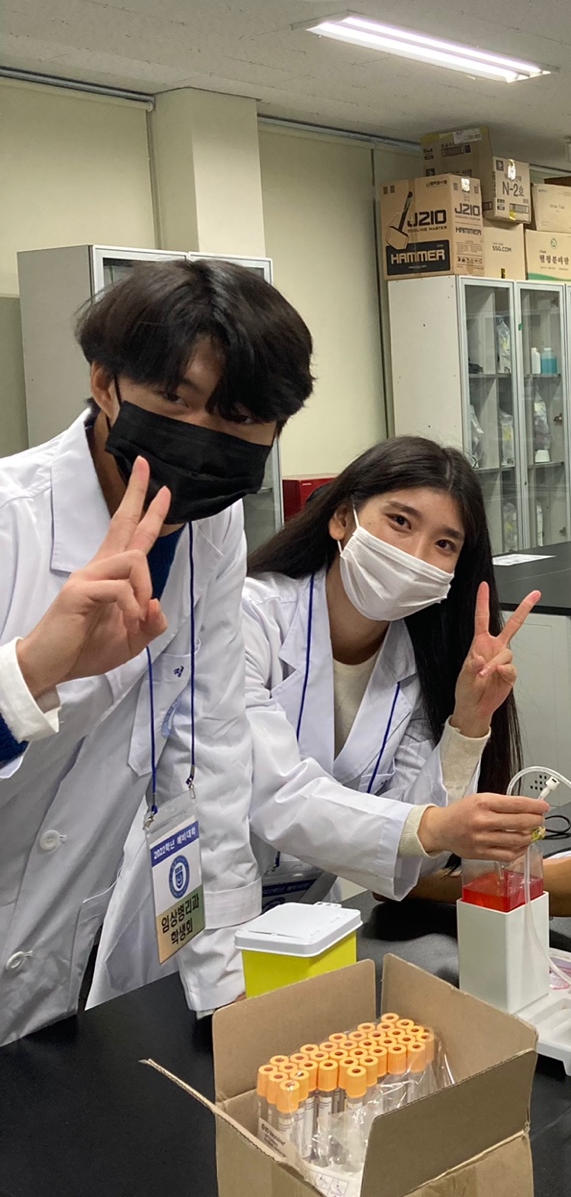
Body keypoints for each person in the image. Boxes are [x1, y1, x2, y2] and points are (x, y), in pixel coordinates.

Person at [88, 436, 549, 1004]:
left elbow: (410, 858)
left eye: (444, 544)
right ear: (341, 519)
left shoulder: (419, 661)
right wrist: (430, 826)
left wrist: (468, 722)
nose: (415, 555)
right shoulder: (249, 617)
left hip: (305, 933)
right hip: (190, 924)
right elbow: (273, 794)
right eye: (400, 521)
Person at [0, 259, 314, 1044]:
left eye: (241, 416)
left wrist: (225, 985)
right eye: (177, 400)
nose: (204, 438)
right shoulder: (11, 523)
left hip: (74, 946)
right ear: (104, 384)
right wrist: (32, 671)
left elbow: (210, 752)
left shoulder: (213, 528)